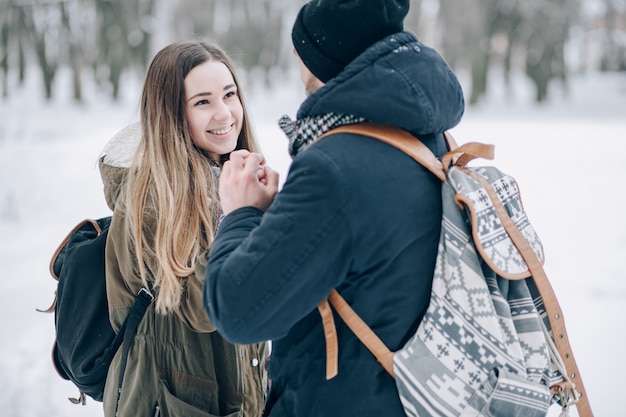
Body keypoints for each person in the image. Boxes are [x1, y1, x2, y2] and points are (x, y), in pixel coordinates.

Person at [203, 0, 466, 416]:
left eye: (302, 48)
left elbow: (237, 310)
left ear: (323, 55)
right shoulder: (423, 133)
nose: (296, 60)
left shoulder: (334, 167)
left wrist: (241, 213)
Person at [98, 40, 269, 417]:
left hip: (235, 394)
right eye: (203, 102)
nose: (225, 114)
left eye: (230, 94)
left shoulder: (226, 178)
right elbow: (206, 307)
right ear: (171, 114)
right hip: (170, 402)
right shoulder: (152, 199)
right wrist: (242, 215)